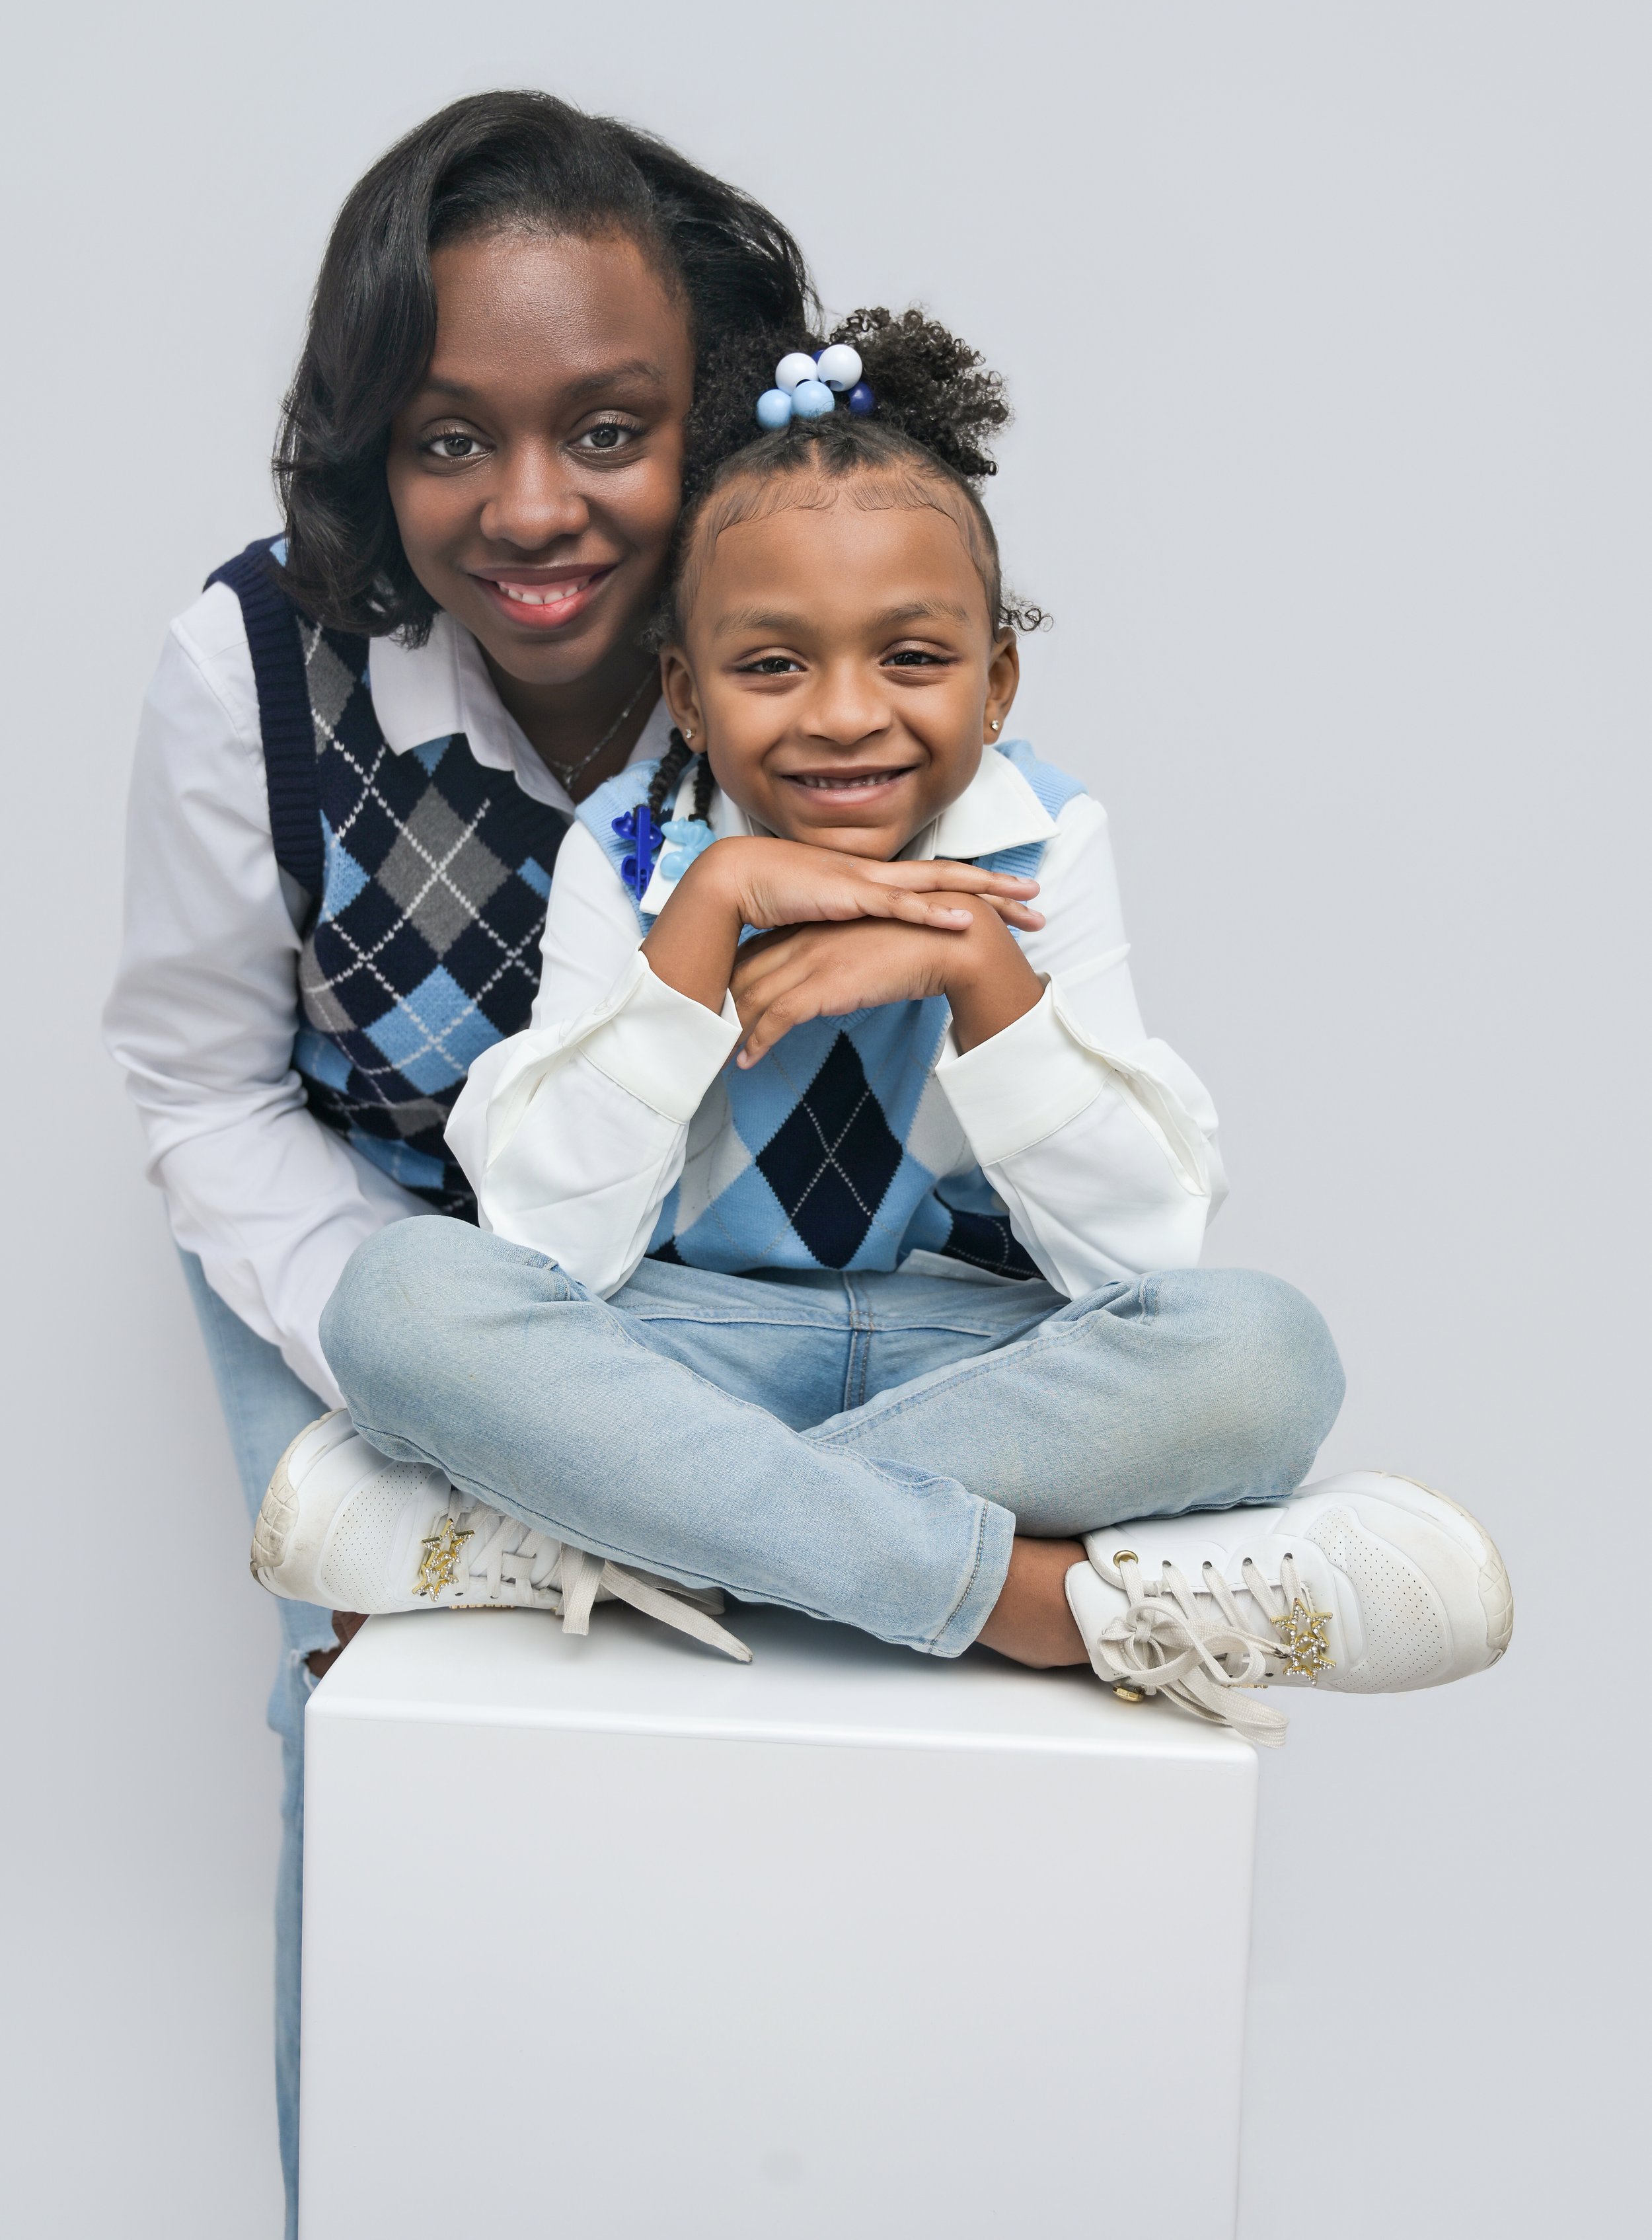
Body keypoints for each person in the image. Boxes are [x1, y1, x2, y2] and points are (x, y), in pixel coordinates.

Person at [256, 306, 1513, 1744]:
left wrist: (982, 972)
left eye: (910, 661)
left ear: (993, 683)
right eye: (771, 665)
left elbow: (1140, 1257)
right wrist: (704, 922)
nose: (843, 717)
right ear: (685, 692)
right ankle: (1017, 1601)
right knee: (404, 1299)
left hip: (968, 1348)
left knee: (1264, 1355)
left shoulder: (1042, 839)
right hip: (688, 1341)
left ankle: (618, 1529)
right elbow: (543, 1250)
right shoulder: (632, 856)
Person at [104, 90, 816, 2235]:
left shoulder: (805, 635)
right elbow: (203, 1086)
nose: (533, 509)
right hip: (372, 1264)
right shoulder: (250, 670)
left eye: (610, 430)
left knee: (745, 1767)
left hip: (697, 1275)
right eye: (447, 439)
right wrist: (417, 1379)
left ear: (711, 420)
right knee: (392, 1745)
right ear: (366, 448)